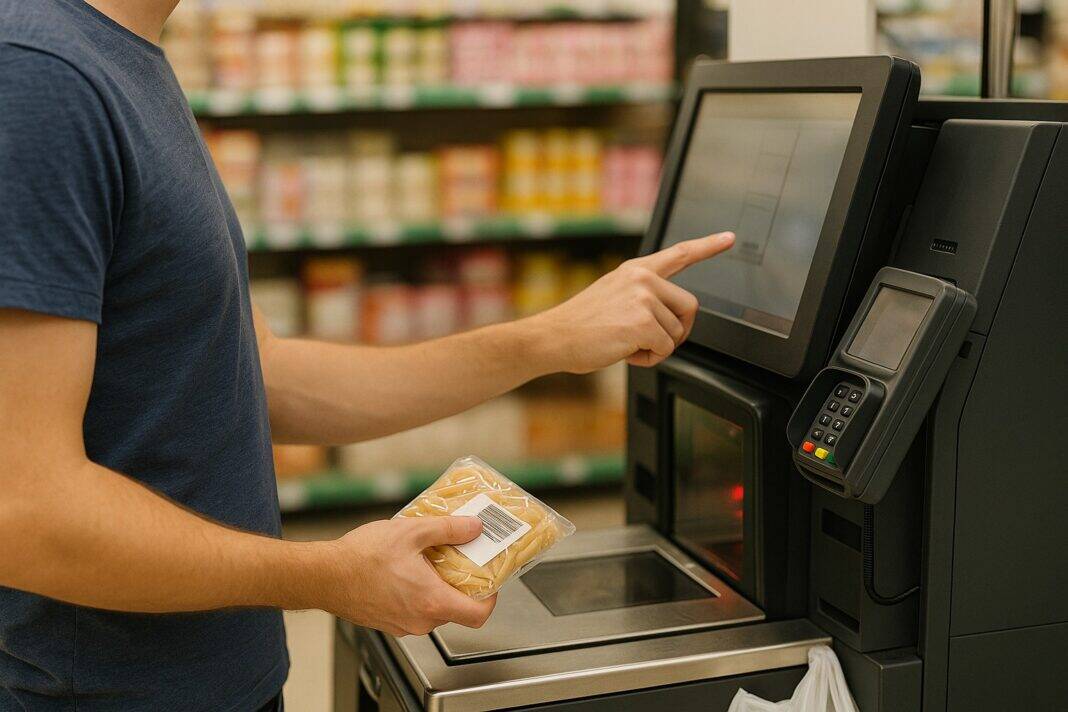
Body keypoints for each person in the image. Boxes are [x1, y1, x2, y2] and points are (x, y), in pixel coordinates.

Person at [0, 0, 735, 710]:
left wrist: (548, 340)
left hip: (212, 673)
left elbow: (262, 375)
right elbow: (24, 508)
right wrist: (325, 575)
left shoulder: (124, 56)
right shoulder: (42, 72)